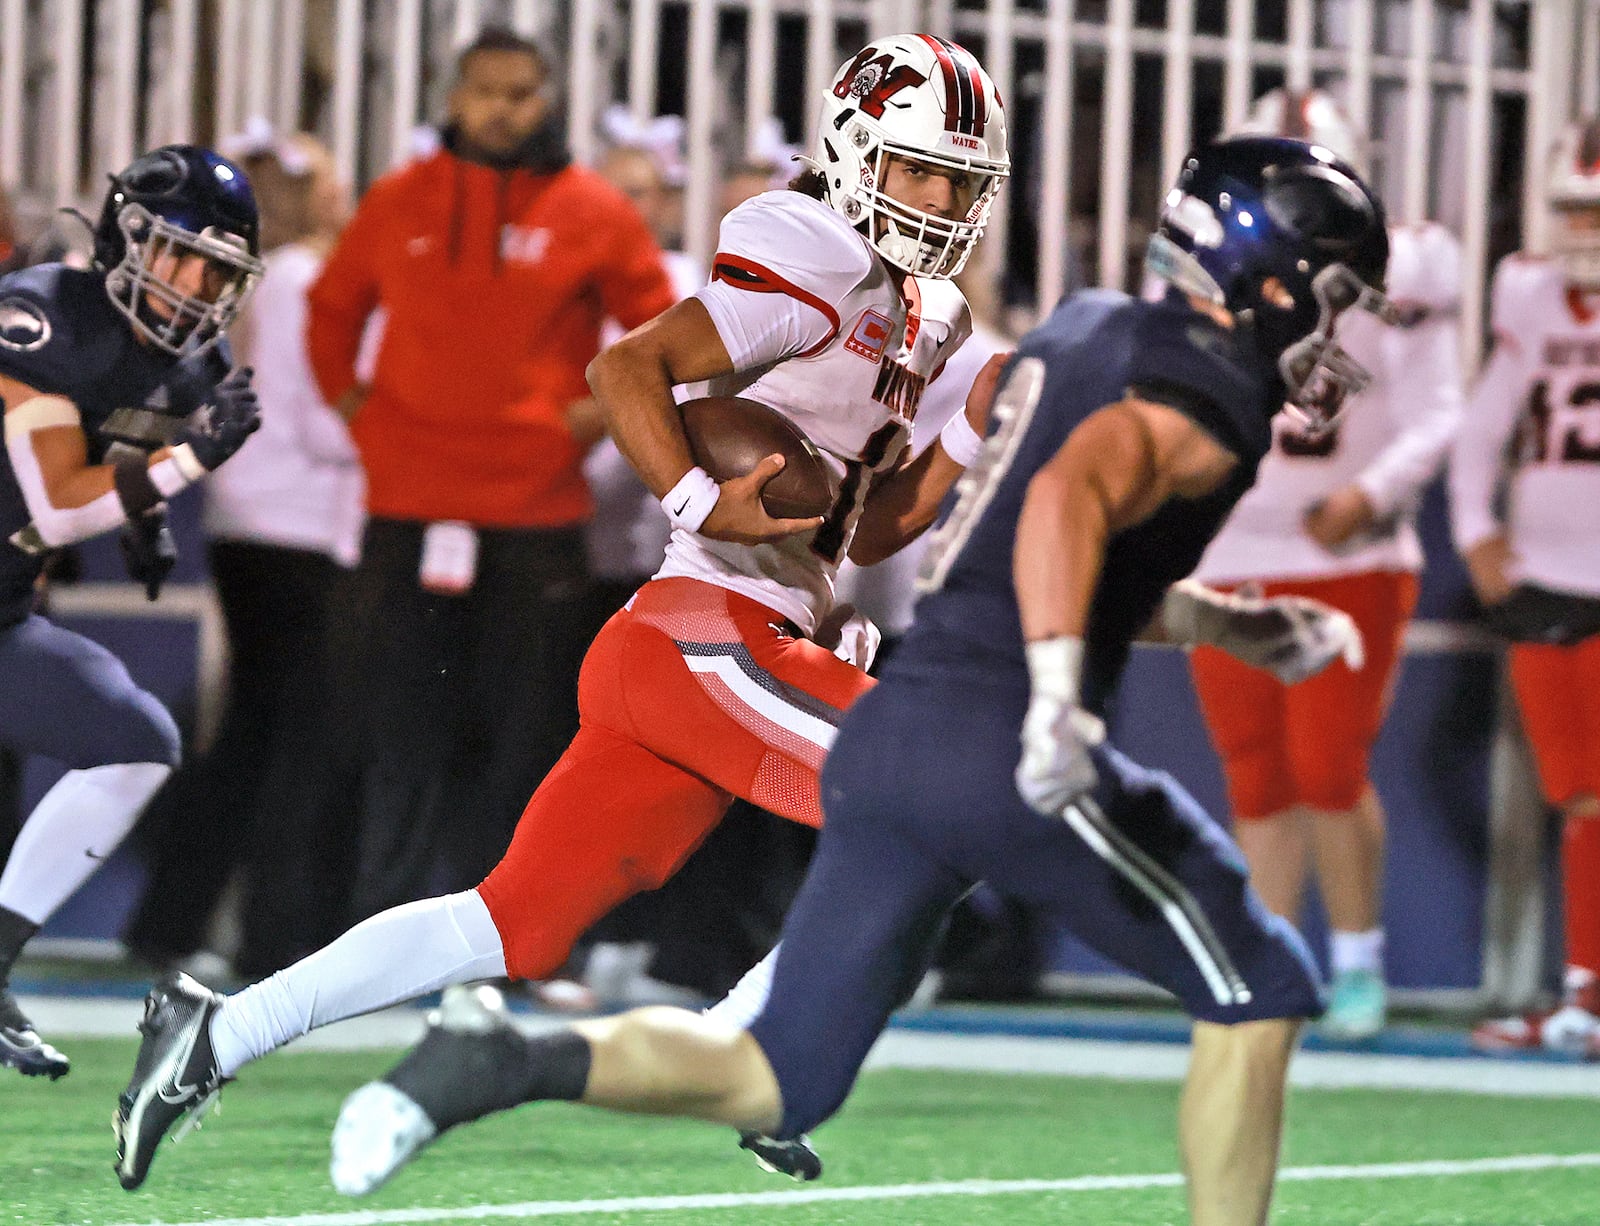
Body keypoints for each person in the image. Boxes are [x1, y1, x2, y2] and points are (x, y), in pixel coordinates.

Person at [323, 135, 1389, 1226]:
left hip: (897, 739)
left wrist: (1225, 624)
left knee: (775, 1073)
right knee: (1263, 984)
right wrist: (1063, 697)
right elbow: (1068, 500)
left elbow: (1027, 548)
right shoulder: (1204, 391)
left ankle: (501, 1057)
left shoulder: (1075, 334)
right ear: (1272, 276)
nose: (1337, 326)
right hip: (993, 739)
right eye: (1336, 293)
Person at [110, 31, 1013, 1191]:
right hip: (703, 631)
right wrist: (698, 496)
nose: (938, 200)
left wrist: (969, 432)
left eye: (958, 179)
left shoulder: (920, 312)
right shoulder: (817, 255)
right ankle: (766, 1044)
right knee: (945, 791)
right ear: (850, 153)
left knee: (511, 923)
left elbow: (865, 526)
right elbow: (626, 368)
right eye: (915, 170)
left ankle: (212, 1032)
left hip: (696, 647)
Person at [303, 27, 679, 917]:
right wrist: (364, 419)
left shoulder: (592, 209)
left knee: (526, 739)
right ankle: (378, 935)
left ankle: (510, 935)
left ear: (544, 101)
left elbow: (661, 329)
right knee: (390, 729)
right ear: (453, 97)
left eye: (520, 93)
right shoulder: (399, 199)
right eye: (486, 91)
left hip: (537, 513)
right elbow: (329, 313)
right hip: (404, 506)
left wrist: (583, 422)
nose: (502, 109)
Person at [1187, 88, 1465, 1040]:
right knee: (1255, 773)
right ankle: (1276, 961)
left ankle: (1356, 958)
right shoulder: (1211, 258)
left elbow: (1436, 408)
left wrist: (1374, 493)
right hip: (1230, 549)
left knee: (1327, 765)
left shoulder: (1408, 264)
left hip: (1345, 553)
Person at [0, 144, 263, 1077]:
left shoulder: (190, 360)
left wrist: (144, 504)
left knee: (136, 737)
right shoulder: (42, 316)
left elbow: (107, 463)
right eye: (179, 253)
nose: (195, 284)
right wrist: (182, 468)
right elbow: (63, 502)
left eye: (217, 268)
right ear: (127, 238)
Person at [120, 127, 365, 979]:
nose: (344, 195)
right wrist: (409, 429)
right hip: (292, 527)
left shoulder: (269, 277)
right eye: (332, 181)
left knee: (256, 732)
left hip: (255, 519)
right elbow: (318, 417)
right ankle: (269, 935)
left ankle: (173, 921)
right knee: (293, 736)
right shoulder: (301, 278)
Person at [1454, 117, 1600, 1057]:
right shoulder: (1531, 296)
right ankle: (1585, 990)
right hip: (1547, 577)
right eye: (1575, 208)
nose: (1583, 228)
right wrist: (1475, 534)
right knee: (1581, 797)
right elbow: (1484, 426)